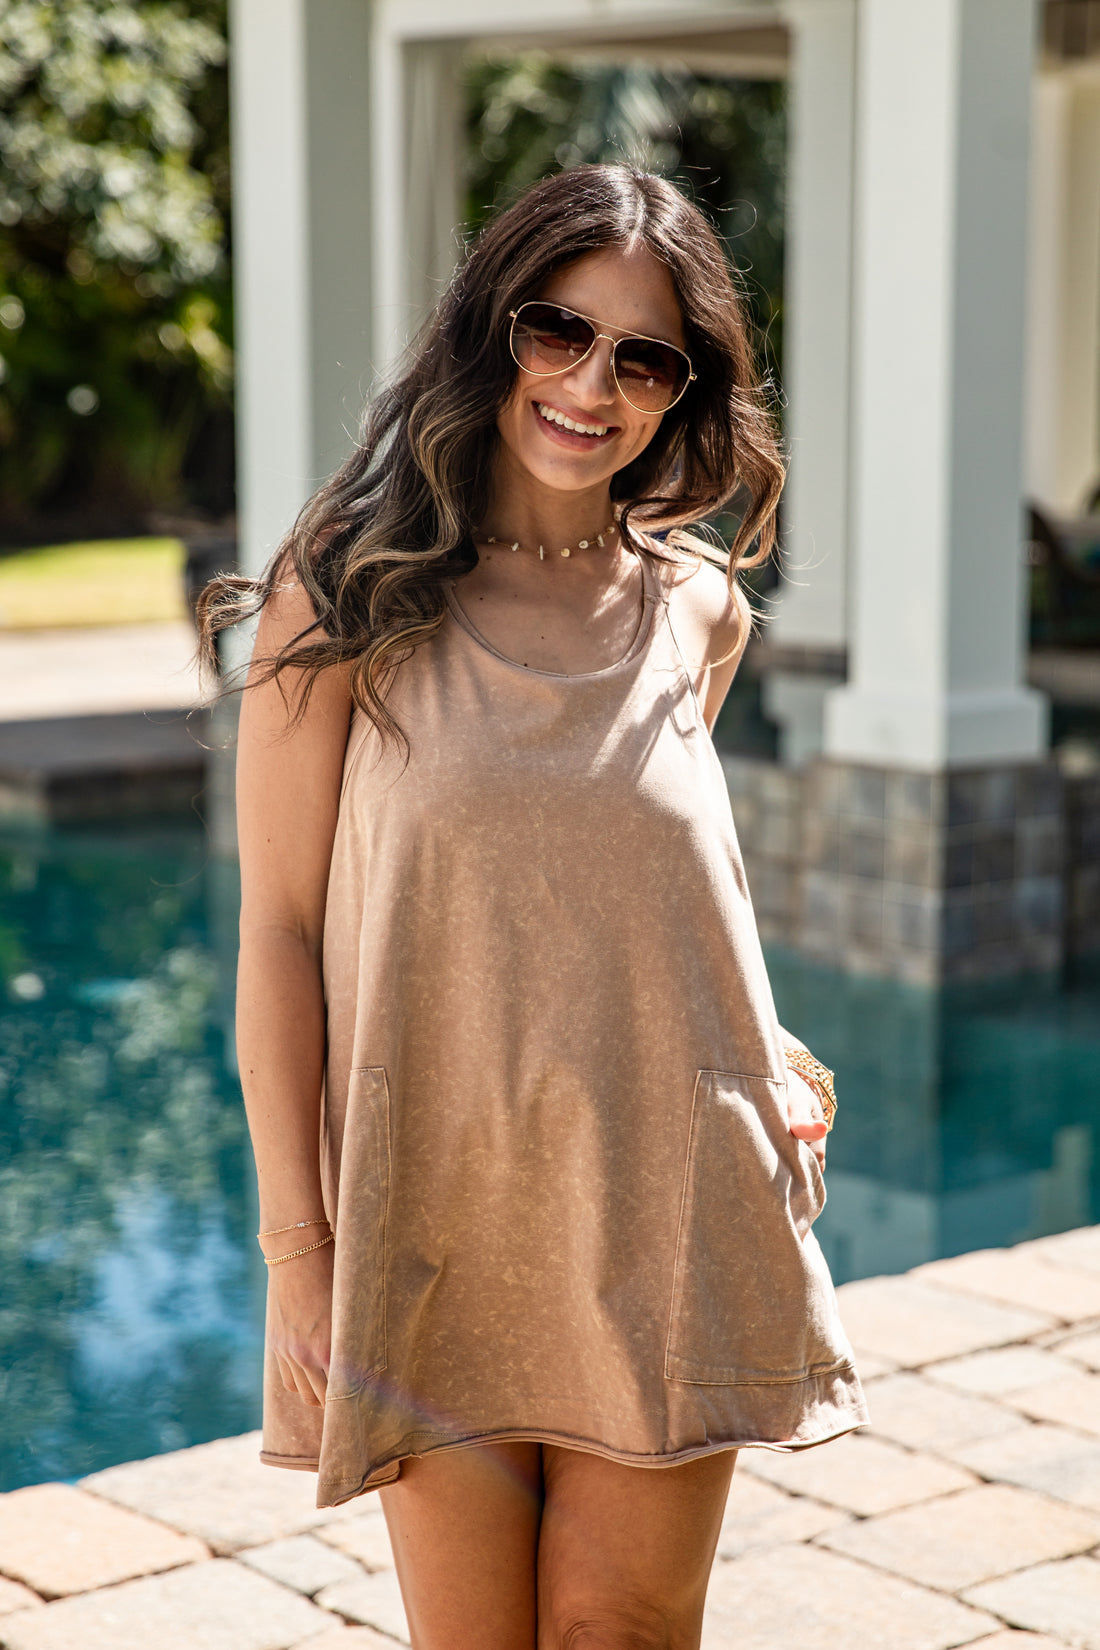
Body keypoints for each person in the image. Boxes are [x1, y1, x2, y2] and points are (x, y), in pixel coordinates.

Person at [199, 164, 868, 1650]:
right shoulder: (346, 592)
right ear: (489, 327)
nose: (591, 385)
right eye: (559, 329)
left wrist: (771, 1055)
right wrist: (300, 1252)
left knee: (624, 1630)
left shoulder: (699, 606)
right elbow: (282, 936)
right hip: (431, 1208)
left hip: (667, 1201)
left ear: (681, 391)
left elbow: (641, 889)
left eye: (644, 357)